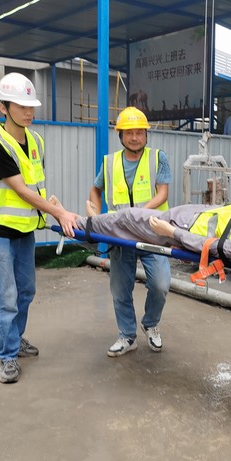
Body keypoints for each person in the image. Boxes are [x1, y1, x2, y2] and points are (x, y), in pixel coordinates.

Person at [0, 72, 80, 385]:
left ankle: (15, 338)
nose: (28, 111)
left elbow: (34, 186)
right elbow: (20, 190)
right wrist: (59, 212)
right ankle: (7, 356)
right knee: (5, 296)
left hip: (24, 230)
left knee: (26, 290)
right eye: (21, 106)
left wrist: (52, 204)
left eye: (31, 106)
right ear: (3, 107)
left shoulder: (35, 141)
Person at [51, 197, 231, 273]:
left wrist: (172, 232)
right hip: (197, 214)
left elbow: (214, 247)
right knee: (124, 224)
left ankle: (76, 221)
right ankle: (94, 221)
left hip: (182, 227)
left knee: (128, 219)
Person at [89, 106, 172, 358]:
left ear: (146, 135)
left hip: (152, 233)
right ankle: (127, 335)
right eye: (129, 133)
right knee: (120, 289)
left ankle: (150, 323)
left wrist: (137, 215)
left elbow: (162, 194)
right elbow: (96, 189)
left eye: (139, 132)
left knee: (160, 284)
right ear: (121, 136)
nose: (135, 137)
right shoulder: (110, 162)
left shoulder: (158, 158)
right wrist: (96, 216)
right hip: (120, 236)